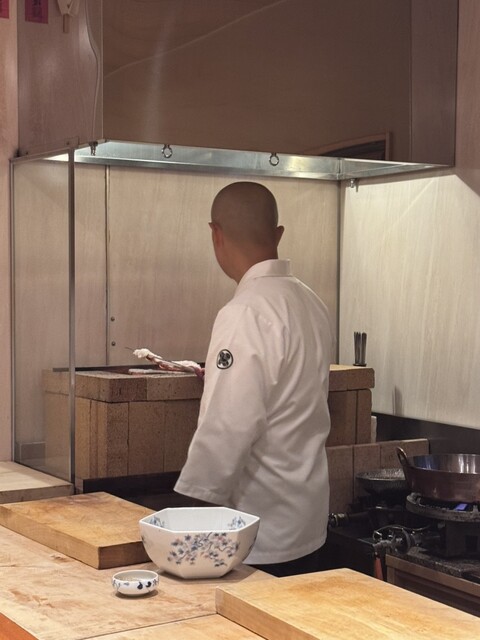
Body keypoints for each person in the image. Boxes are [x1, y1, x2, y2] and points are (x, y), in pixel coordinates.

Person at [174, 181, 334, 576]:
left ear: (216, 234)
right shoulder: (311, 302)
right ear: (278, 235)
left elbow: (228, 426)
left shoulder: (245, 312)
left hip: (258, 535)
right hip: (308, 522)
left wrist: (187, 515)